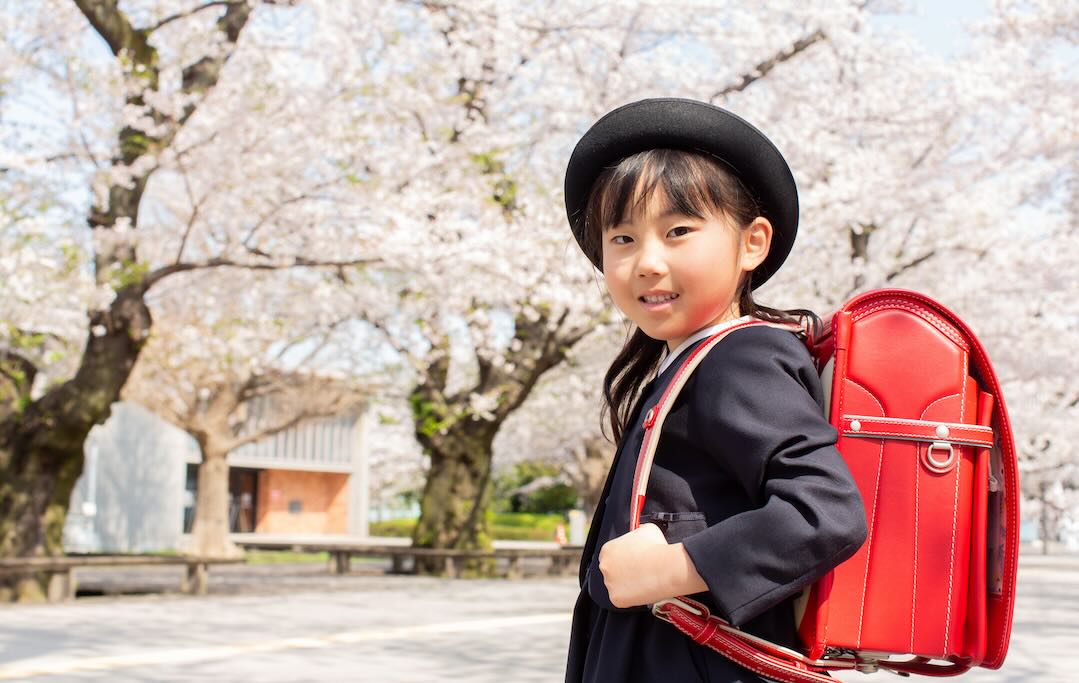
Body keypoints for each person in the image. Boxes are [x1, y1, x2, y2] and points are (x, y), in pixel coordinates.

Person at [561, 98, 869, 682]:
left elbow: (825, 512)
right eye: (622, 239)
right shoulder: (688, 362)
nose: (647, 262)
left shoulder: (741, 356)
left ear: (752, 243)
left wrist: (674, 569)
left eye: (678, 231)